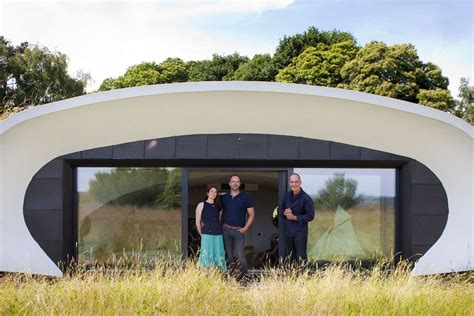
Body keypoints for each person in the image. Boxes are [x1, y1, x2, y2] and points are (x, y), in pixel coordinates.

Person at [221, 175, 255, 278]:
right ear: (229, 183)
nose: (235, 183)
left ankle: (244, 275)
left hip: (239, 231)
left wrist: (245, 228)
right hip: (226, 230)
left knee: (240, 255)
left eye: (237, 182)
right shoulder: (224, 198)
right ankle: (229, 275)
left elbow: (252, 214)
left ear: (239, 184)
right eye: (233, 181)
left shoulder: (245, 197)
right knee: (229, 255)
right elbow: (219, 213)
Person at [282, 173, 315, 263]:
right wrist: (284, 212)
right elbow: (281, 210)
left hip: (300, 233)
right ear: (289, 183)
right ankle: (292, 276)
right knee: (290, 257)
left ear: (300, 183)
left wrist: (295, 217)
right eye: (292, 182)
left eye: (296, 182)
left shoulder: (306, 198)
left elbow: (311, 216)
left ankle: (303, 276)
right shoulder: (287, 196)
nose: (294, 184)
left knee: (301, 257)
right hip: (289, 232)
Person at [195, 187, 226, 272]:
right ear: (207, 193)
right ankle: (205, 275)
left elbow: (218, 220)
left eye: (215, 192)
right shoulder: (201, 205)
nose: (213, 193)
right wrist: (201, 234)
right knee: (206, 255)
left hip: (218, 234)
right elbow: (197, 222)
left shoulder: (219, 207)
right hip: (206, 234)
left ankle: (217, 274)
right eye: (211, 191)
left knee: (218, 254)